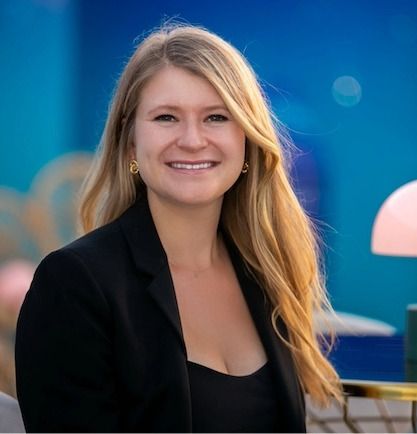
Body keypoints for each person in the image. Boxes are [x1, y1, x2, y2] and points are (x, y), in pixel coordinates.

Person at [15, 24, 342, 433]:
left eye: (216, 117)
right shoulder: (74, 285)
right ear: (130, 142)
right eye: (166, 117)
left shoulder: (265, 273)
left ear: (247, 142)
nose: (192, 140)